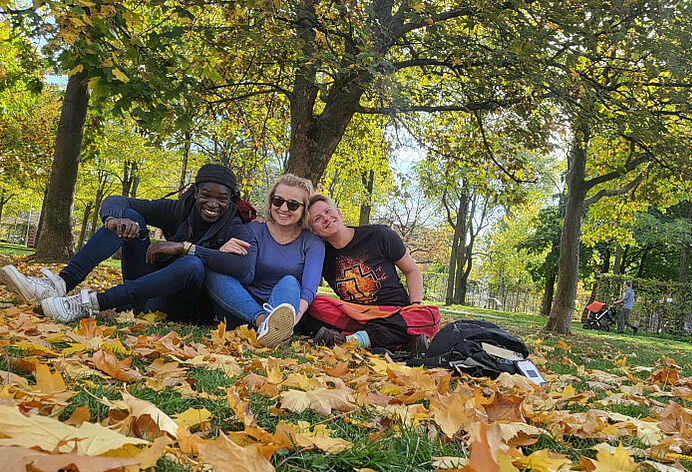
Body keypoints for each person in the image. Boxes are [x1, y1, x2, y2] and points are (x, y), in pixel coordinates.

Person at [0, 164, 252, 323]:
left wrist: (183, 247)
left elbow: (242, 268)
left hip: (176, 304)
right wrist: (113, 219)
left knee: (193, 264)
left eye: (222, 198)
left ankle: (91, 303)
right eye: (206, 195)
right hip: (142, 287)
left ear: (231, 200)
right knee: (129, 217)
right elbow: (119, 199)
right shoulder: (178, 210)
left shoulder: (236, 226)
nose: (212, 204)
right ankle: (60, 283)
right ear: (195, 192)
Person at [302, 194, 440, 353]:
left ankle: (350, 340)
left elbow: (412, 270)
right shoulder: (319, 255)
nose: (326, 218)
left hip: (394, 311)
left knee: (431, 316)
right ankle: (401, 339)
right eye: (317, 219)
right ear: (314, 231)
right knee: (312, 304)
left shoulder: (379, 235)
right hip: (357, 316)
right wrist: (268, 226)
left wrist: (415, 307)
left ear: (339, 213)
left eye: (328, 211)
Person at [204, 174, 324, 348]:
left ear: (304, 210)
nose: (283, 208)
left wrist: (297, 314)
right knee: (213, 273)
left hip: (285, 306)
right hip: (243, 307)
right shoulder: (254, 229)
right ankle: (264, 324)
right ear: (271, 201)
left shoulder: (312, 242)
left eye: (292, 205)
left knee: (290, 281)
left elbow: (309, 288)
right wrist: (223, 254)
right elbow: (246, 276)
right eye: (278, 201)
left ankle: (278, 326)